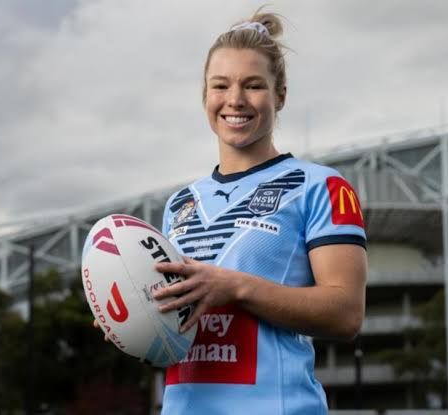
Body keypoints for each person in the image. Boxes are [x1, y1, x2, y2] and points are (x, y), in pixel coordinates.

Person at [151, 9, 368, 415]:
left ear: (280, 95)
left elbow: (347, 314)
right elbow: (173, 330)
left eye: (253, 85)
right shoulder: (180, 204)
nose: (235, 100)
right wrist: (130, 320)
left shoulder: (319, 186)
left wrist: (236, 287)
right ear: (205, 96)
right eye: (221, 85)